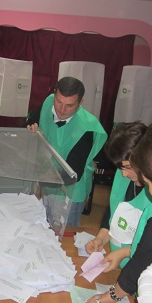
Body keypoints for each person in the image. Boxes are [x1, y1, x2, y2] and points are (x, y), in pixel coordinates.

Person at [87, 122, 152, 303]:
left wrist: (116, 293)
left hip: (138, 276)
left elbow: (147, 250)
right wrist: (101, 237)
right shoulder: (123, 174)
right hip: (124, 272)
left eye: (127, 167)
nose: (123, 174)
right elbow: (114, 209)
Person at [27, 76, 107, 226]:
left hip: (70, 190)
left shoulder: (87, 128)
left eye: (69, 106)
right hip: (47, 180)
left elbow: (72, 173)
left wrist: (38, 180)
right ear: (55, 93)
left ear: (80, 102)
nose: (61, 110)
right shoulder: (49, 101)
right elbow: (31, 122)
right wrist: (31, 128)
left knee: (62, 236)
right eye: (58, 102)